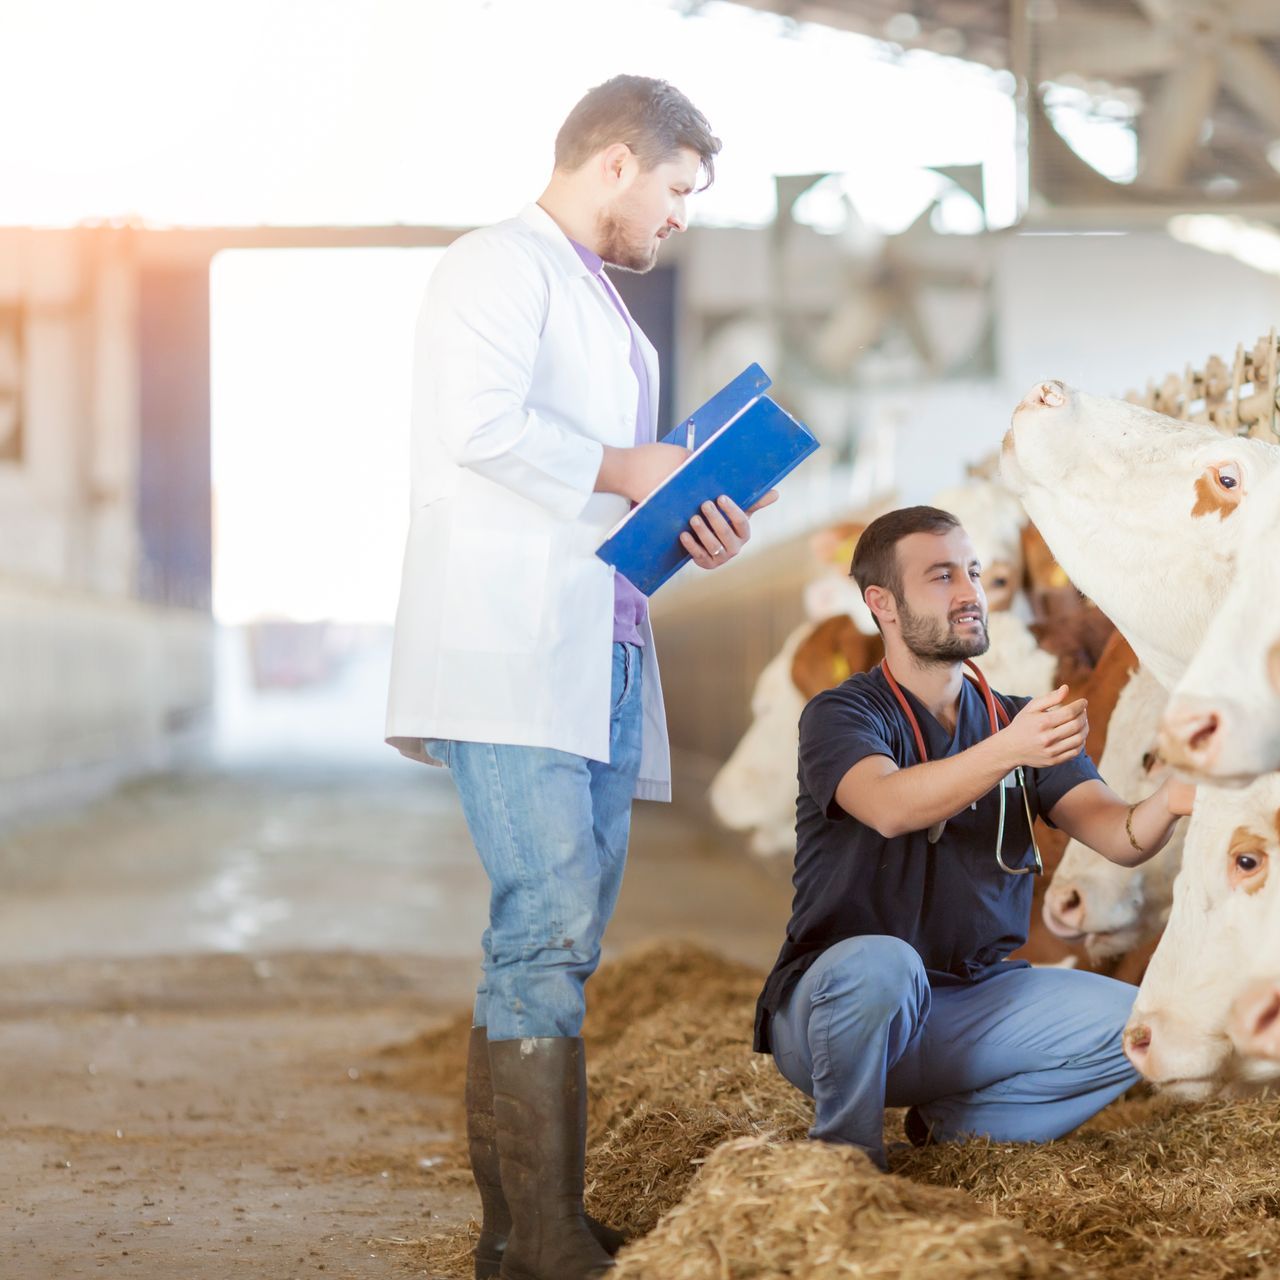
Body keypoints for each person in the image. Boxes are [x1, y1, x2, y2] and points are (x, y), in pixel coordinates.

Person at [385, 76, 772, 1280]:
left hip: (592, 644)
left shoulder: (596, 297)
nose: (680, 218)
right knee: (543, 929)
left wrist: (691, 514)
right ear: (616, 161)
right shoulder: (495, 266)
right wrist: (634, 462)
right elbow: (478, 426)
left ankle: (522, 1226)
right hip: (511, 651)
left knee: (555, 939)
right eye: (677, 189)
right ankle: (537, 1230)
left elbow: (608, 487)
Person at [753, 505, 1192, 1169]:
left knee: (1135, 1024)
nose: (968, 593)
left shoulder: (1014, 720)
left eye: (973, 572)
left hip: (967, 1004)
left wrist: (1178, 796)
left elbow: (1121, 834)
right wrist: (1009, 751)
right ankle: (845, 1162)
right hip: (836, 1012)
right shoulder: (842, 714)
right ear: (884, 604)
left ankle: (952, 1135)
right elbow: (889, 806)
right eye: (940, 576)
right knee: (883, 964)